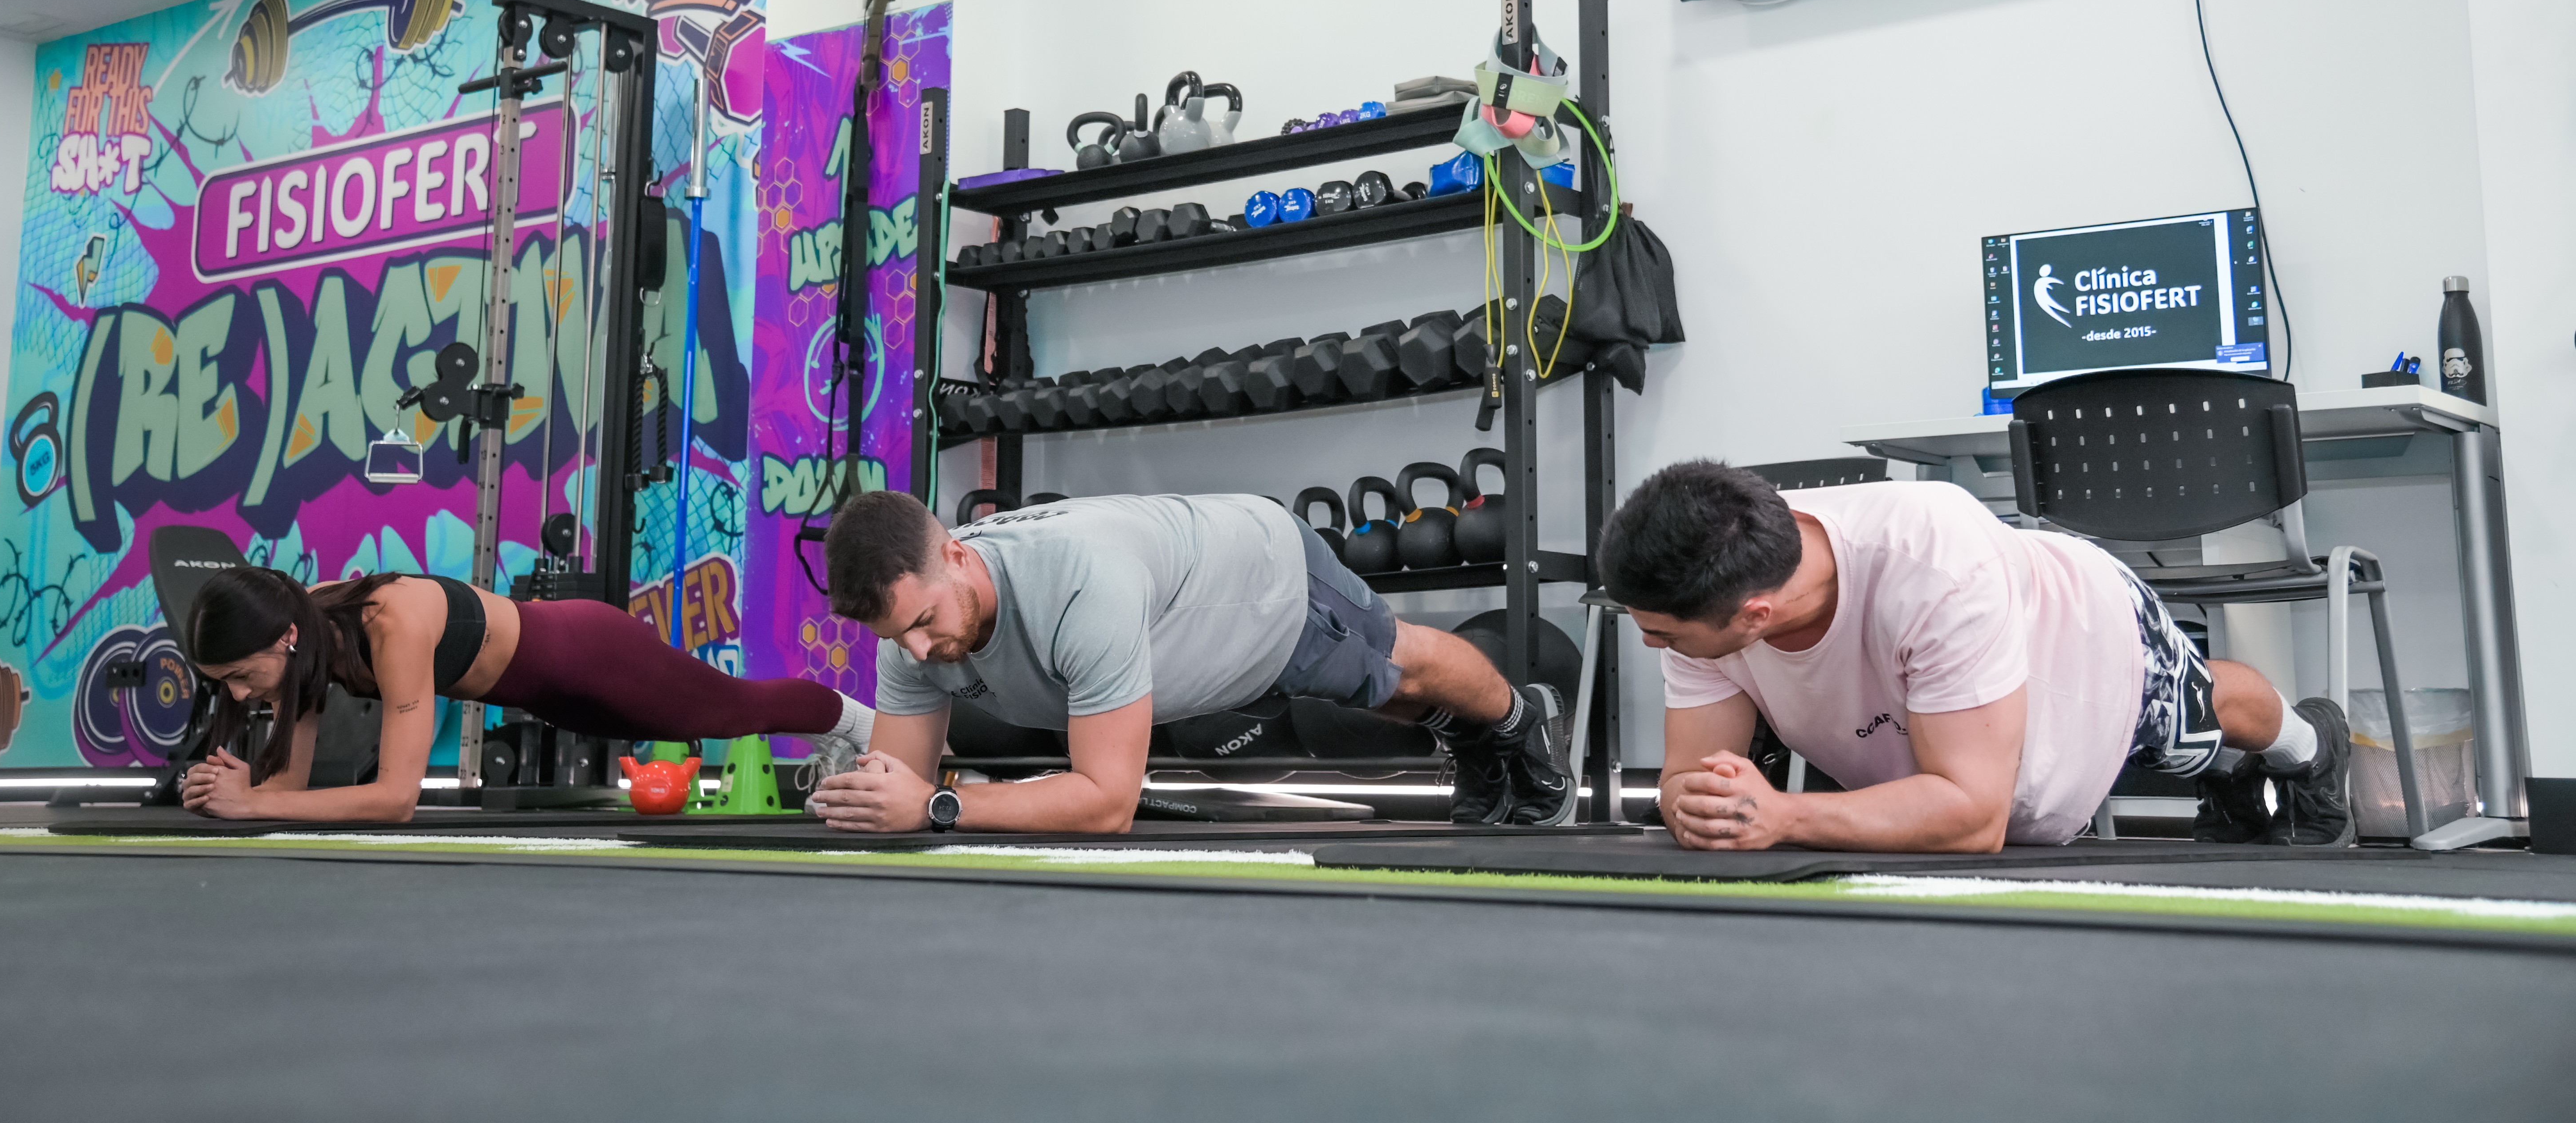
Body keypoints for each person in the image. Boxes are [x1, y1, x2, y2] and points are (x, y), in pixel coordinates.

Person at [1598, 461, 2351, 853]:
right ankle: (2233, 777)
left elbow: (1972, 818)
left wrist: (1783, 814)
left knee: (2199, 717)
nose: (1650, 643)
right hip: (1927, 706)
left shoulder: (1933, 566)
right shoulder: (1702, 588)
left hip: (2088, 633)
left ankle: (2312, 746)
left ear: (1755, 616)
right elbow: (1684, 780)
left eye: (1663, 636)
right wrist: (1699, 807)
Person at [806, 490, 1575, 834]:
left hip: (1259, 580)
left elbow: (1106, 806)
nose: (918, 651)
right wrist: (865, 802)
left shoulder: (1079, 584)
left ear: (955, 556)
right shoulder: (913, 630)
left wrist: (940, 807)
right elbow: (899, 788)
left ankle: (1521, 719)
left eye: (924, 623)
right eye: (897, 635)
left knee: (1398, 674)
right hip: (1180, 637)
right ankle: (1473, 737)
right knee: (1390, 699)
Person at [179, 565, 872, 822]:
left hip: (591, 652)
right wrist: (237, 793)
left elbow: (395, 801)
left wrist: (257, 802)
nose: (238, 694)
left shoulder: (390, 623)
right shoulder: (299, 643)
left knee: (732, 711)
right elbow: (290, 790)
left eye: (239, 674)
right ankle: (851, 744)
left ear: (284, 638)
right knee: (707, 717)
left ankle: (860, 725)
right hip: (548, 693)